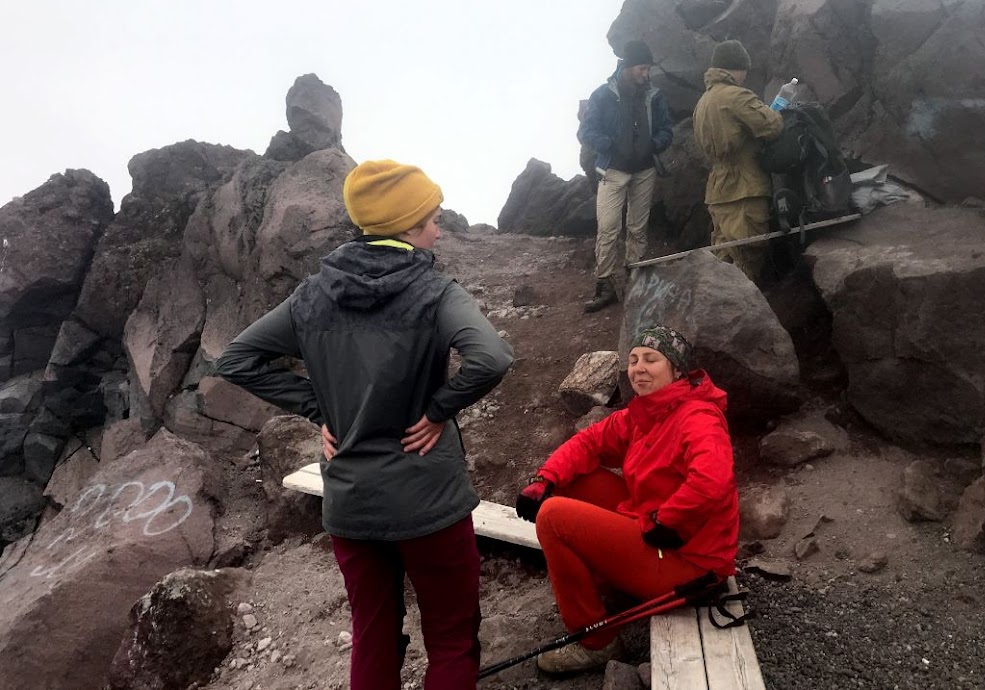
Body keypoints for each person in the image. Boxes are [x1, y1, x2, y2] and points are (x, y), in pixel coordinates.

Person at [214, 159, 513, 690]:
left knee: (373, 634)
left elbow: (236, 360)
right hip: (428, 499)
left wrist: (322, 409)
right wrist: (439, 410)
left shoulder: (312, 295)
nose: (438, 228)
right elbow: (491, 358)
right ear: (407, 225)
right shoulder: (434, 291)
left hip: (351, 501)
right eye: (432, 218)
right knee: (450, 638)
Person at [515, 326, 738, 674]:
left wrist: (668, 519)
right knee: (569, 482)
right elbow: (590, 442)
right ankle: (614, 586)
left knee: (553, 517)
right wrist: (545, 479)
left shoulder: (698, 417)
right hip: (656, 531)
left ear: (677, 370)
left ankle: (596, 642)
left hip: (691, 560)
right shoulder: (645, 414)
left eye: (651, 359)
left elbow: (713, 479)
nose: (639, 368)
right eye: (633, 360)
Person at [577, 40, 674, 312]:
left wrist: (655, 144)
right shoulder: (602, 96)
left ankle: (636, 278)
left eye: (648, 69)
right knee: (608, 228)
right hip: (612, 170)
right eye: (643, 68)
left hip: (645, 169)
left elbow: (667, 129)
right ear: (629, 66)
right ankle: (605, 284)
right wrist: (609, 145)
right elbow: (586, 131)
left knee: (637, 228)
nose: (646, 74)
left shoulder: (654, 96)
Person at [692, 39, 784, 282]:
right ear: (737, 67)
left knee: (722, 260)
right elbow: (771, 126)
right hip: (744, 189)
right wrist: (776, 111)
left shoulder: (703, 102)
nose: (745, 75)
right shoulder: (736, 96)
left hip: (718, 191)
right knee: (747, 261)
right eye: (745, 69)